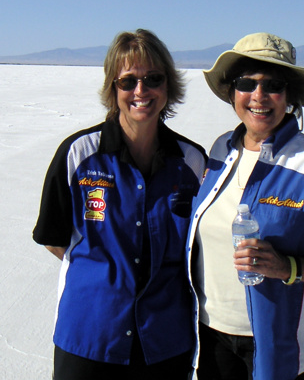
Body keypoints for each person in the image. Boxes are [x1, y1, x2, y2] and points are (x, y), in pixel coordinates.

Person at [186, 32, 304, 380]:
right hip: (212, 335)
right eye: (246, 83)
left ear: (290, 98)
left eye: (273, 85)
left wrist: (287, 267)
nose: (259, 96)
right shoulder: (219, 151)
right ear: (232, 92)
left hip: (281, 343)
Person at [33, 29, 207, 380]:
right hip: (90, 337)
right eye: (128, 81)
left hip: (164, 342)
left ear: (168, 86)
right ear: (113, 88)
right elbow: (55, 238)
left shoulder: (192, 162)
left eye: (153, 79)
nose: (140, 91)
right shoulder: (78, 155)